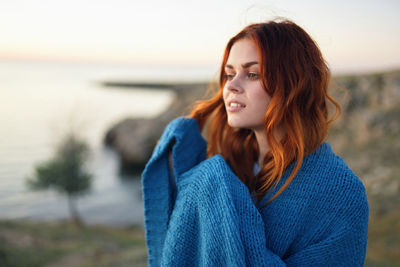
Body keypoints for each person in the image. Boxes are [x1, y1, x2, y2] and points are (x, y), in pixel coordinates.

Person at [142, 19, 369, 266]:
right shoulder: (230, 165)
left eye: (252, 74)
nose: (231, 86)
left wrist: (220, 194)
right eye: (229, 74)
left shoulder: (341, 193)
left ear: (294, 84)